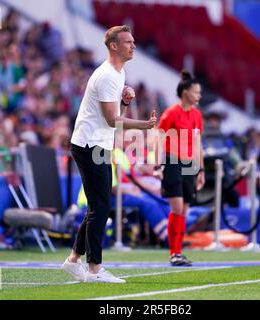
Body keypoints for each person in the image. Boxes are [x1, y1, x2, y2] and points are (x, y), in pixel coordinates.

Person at [62, 25, 156, 283]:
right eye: (128, 42)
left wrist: (125, 102)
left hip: (97, 144)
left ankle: (74, 260)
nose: (133, 45)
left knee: (98, 206)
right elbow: (112, 119)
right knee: (101, 206)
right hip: (90, 145)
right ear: (114, 46)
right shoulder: (107, 75)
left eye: (133, 41)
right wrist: (144, 125)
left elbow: (113, 117)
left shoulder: (118, 72)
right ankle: (94, 269)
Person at [156, 70, 205, 266]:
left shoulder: (196, 115)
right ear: (185, 93)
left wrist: (200, 170)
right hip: (172, 162)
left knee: (184, 210)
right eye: (196, 92)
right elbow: (159, 138)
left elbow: (198, 143)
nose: (199, 96)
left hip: (189, 164)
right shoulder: (171, 113)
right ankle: (174, 252)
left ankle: (178, 252)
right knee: (176, 208)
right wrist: (158, 165)